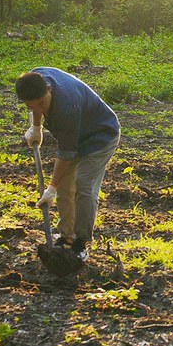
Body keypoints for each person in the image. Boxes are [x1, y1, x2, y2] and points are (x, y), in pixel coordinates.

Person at [15, 68, 120, 262]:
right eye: (32, 107)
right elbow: (36, 105)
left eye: (41, 104)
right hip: (77, 135)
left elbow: (66, 153)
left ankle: (81, 242)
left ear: (48, 89)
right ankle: (66, 236)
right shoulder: (35, 78)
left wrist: (51, 188)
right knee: (65, 185)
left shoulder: (66, 107)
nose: (38, 110)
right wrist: (36, 127)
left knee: (83, 185)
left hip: (101, 136)